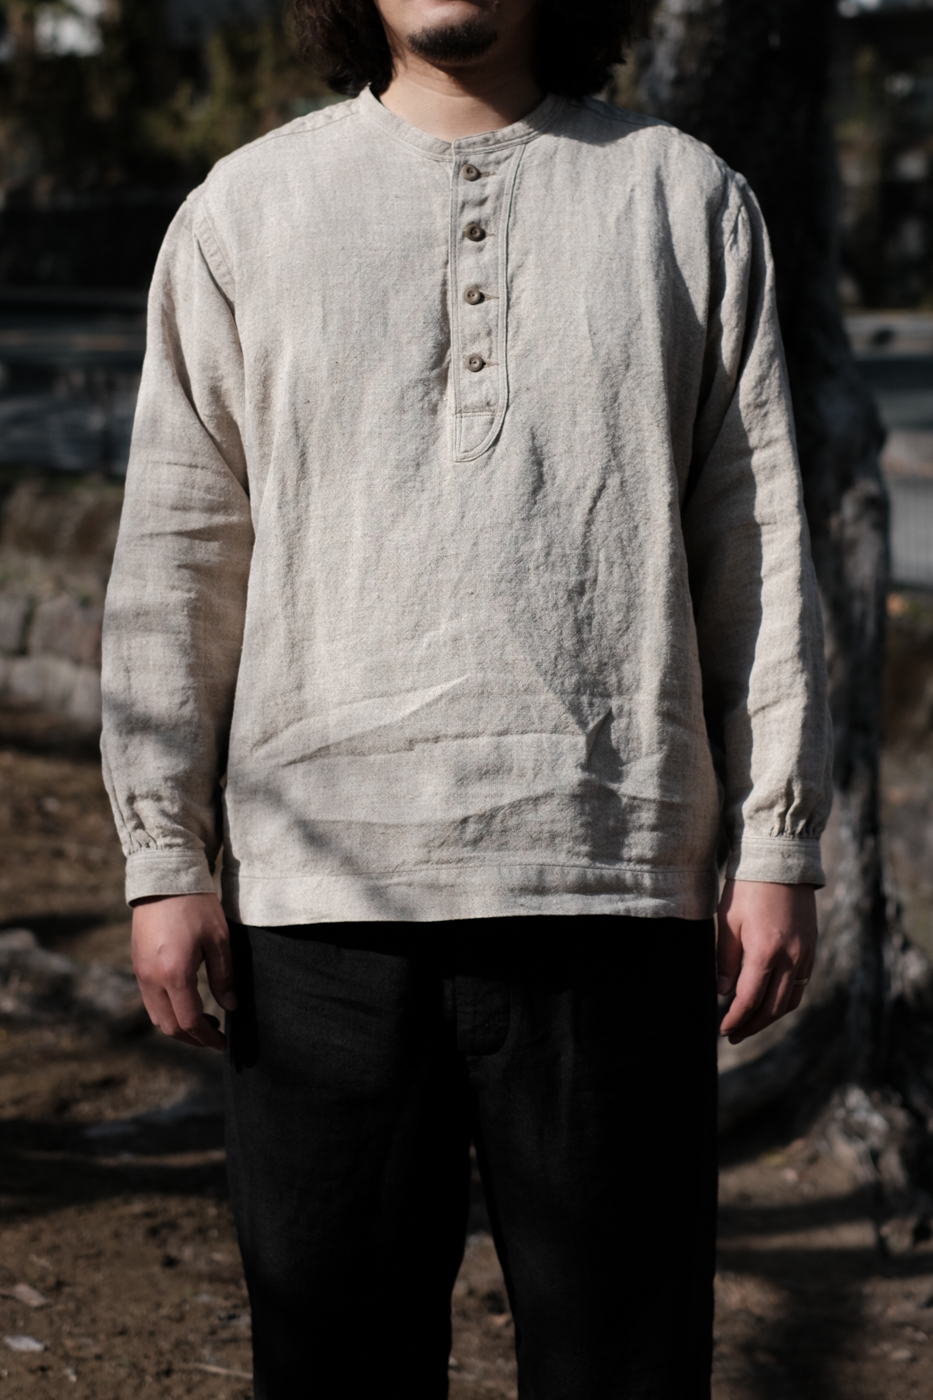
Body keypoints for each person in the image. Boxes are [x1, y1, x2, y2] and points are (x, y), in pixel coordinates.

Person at [101, 0, 833, 1394]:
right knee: (337, 1367)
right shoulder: (244, 212)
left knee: (622, 1369)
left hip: (611, 890)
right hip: (319, 915)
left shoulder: (683, 200)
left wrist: (777, 838)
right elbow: (179, 552)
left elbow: (757, 543)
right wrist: (162, 856)